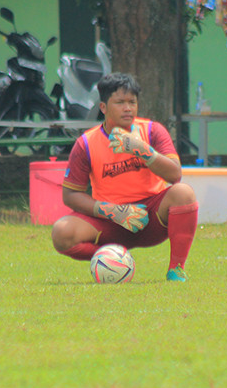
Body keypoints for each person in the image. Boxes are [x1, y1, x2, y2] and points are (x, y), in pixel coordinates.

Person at [50, 73, 199, 281]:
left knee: (184, 193)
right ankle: (111, 260)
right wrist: (111, 211)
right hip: (110, 220)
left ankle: (176, 270)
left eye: (132, 102)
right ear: (103, 108)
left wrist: (143, 150)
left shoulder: (153, 131)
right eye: (120, 102)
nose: (128, 108)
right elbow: (71, 195)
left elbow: (175, 175)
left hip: (151, 218)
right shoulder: (85, 144)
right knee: (61, 232)